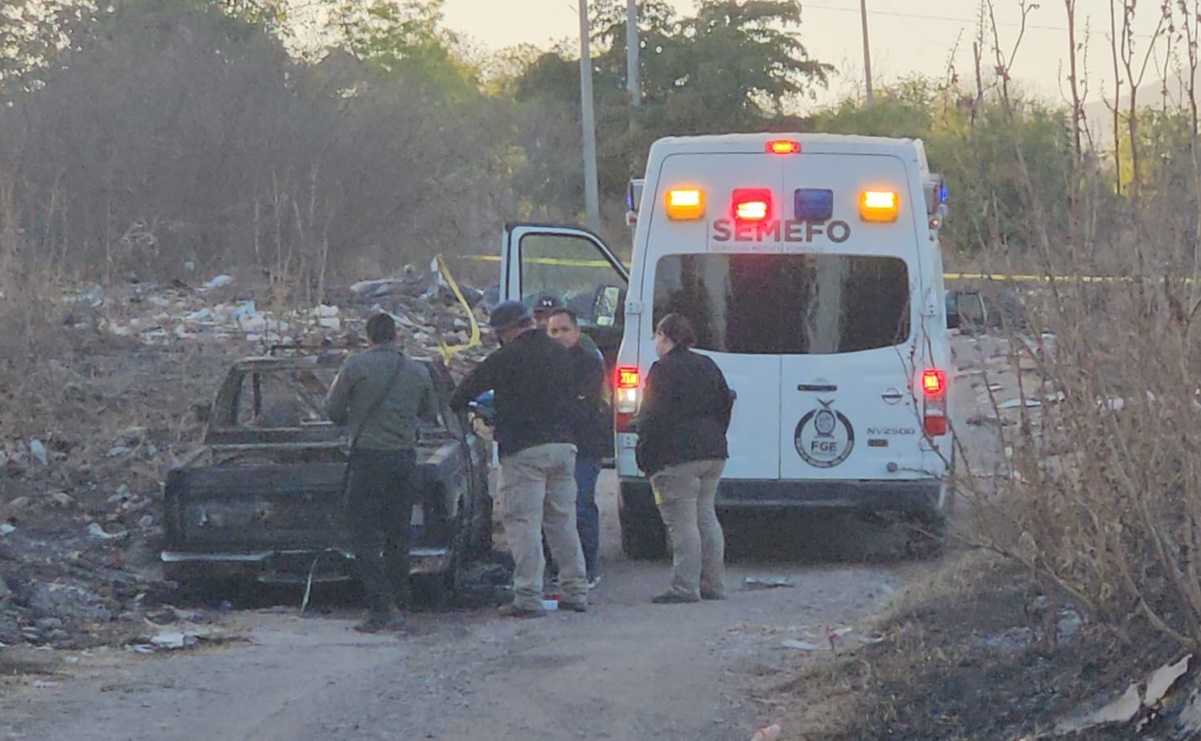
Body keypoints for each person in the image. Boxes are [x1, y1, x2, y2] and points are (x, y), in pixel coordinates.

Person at [449, 300, 589, 617]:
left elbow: (462, 394)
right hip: (565, 448)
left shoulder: (506, 357)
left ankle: (528, 595)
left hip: (525, 450)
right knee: (562, 521)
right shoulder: (562, 354)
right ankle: (575, 591)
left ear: (507, 331)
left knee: (522, 521)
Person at [325, 313, 438, 633]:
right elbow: (429, 413)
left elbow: (333, 411)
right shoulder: (417, 369)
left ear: (368, 336)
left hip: (368, 458)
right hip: (404, 459)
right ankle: (401, 601)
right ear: (396, 335)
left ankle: (380, 606)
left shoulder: (355, 366)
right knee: (397, 533)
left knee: (362, 532)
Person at [634, 313, 734, 605]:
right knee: (706, 517)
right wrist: (716, 435)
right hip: (713, 452)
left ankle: (684, 587)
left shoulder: (662, 370)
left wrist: (645, 454)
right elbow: (725, 402)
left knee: (682, 523)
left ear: (665, 335)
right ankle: (714, 584)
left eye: (656, 336)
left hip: (677, 456)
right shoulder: (708, 364)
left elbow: (652, 416)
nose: (655, 342)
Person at [546, 307, 607, 587]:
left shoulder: (589, 363)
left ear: (577, 331)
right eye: (553, 331)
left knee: (581, 504)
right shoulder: (541, 364)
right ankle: (556, 568)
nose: (559, 336)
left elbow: (585, 403)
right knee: (553, 509)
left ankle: (589, 568)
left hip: (584, 446)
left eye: (564, 329)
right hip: (552, 445)